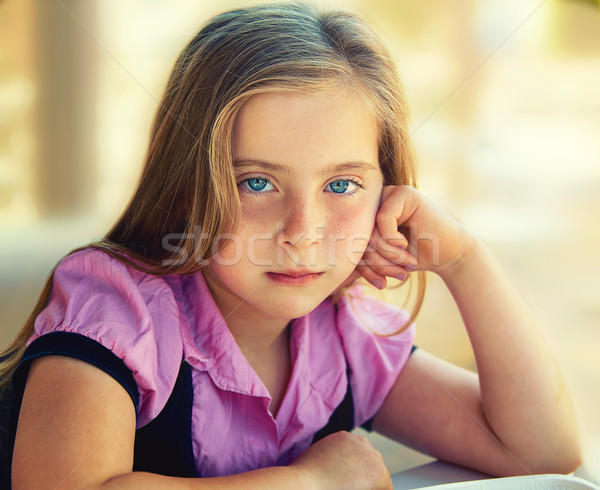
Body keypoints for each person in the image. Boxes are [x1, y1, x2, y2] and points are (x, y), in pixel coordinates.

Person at [0, 3, 582, 488]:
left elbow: (543, 456)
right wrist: (313, 482)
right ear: (185, 187)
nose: (303, 230)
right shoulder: (117, 309)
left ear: (386, 194)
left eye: (342, 185)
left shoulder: (346, 337)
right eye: (256, 183)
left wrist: (464, 259)